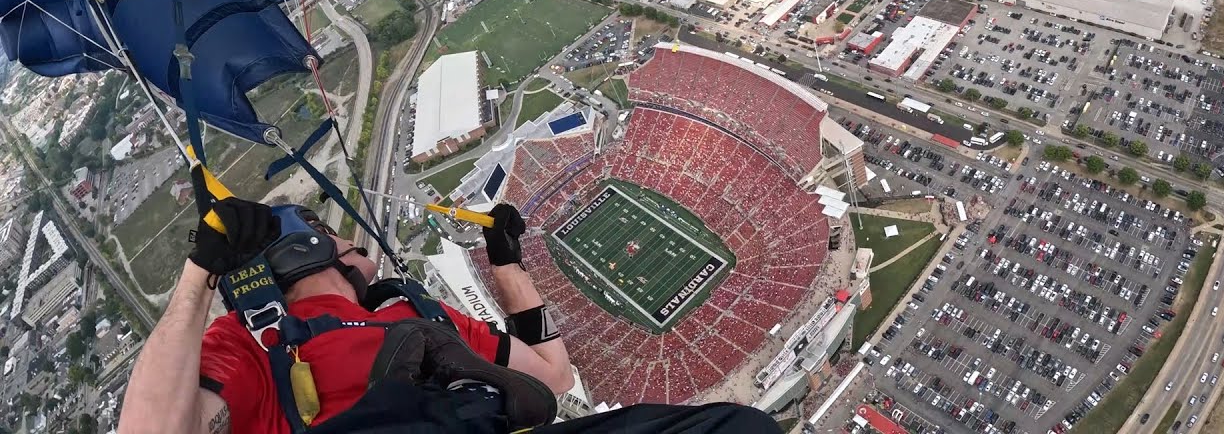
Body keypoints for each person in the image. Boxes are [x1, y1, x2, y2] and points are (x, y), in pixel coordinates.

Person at [118, 173, 780, 434]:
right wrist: (197, 278)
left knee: (739, 431)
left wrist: (507, 264)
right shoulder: (254, 340)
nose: (353, 237)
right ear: (307, 252)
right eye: (333, 232)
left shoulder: (415, 315)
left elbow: (552, 375)